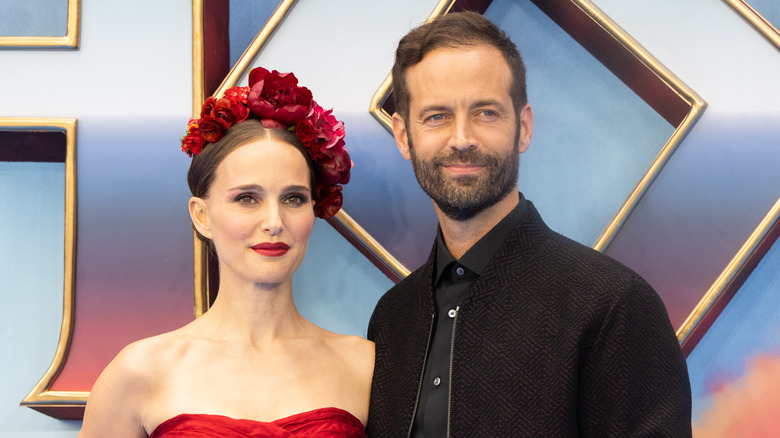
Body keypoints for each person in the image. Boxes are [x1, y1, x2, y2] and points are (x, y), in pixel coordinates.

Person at [367, 11, 692, 437]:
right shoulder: (391, 320)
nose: (462, 138)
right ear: (404, 136)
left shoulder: (614, 304)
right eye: (436, 116)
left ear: (523, 128)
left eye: (485, 113)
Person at [79, 67, 372, 437]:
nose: (274, 221)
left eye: (293, 198)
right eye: (247, 198)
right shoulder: (139, 372)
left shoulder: (364, 367)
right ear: (201, 216)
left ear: (314, 208)